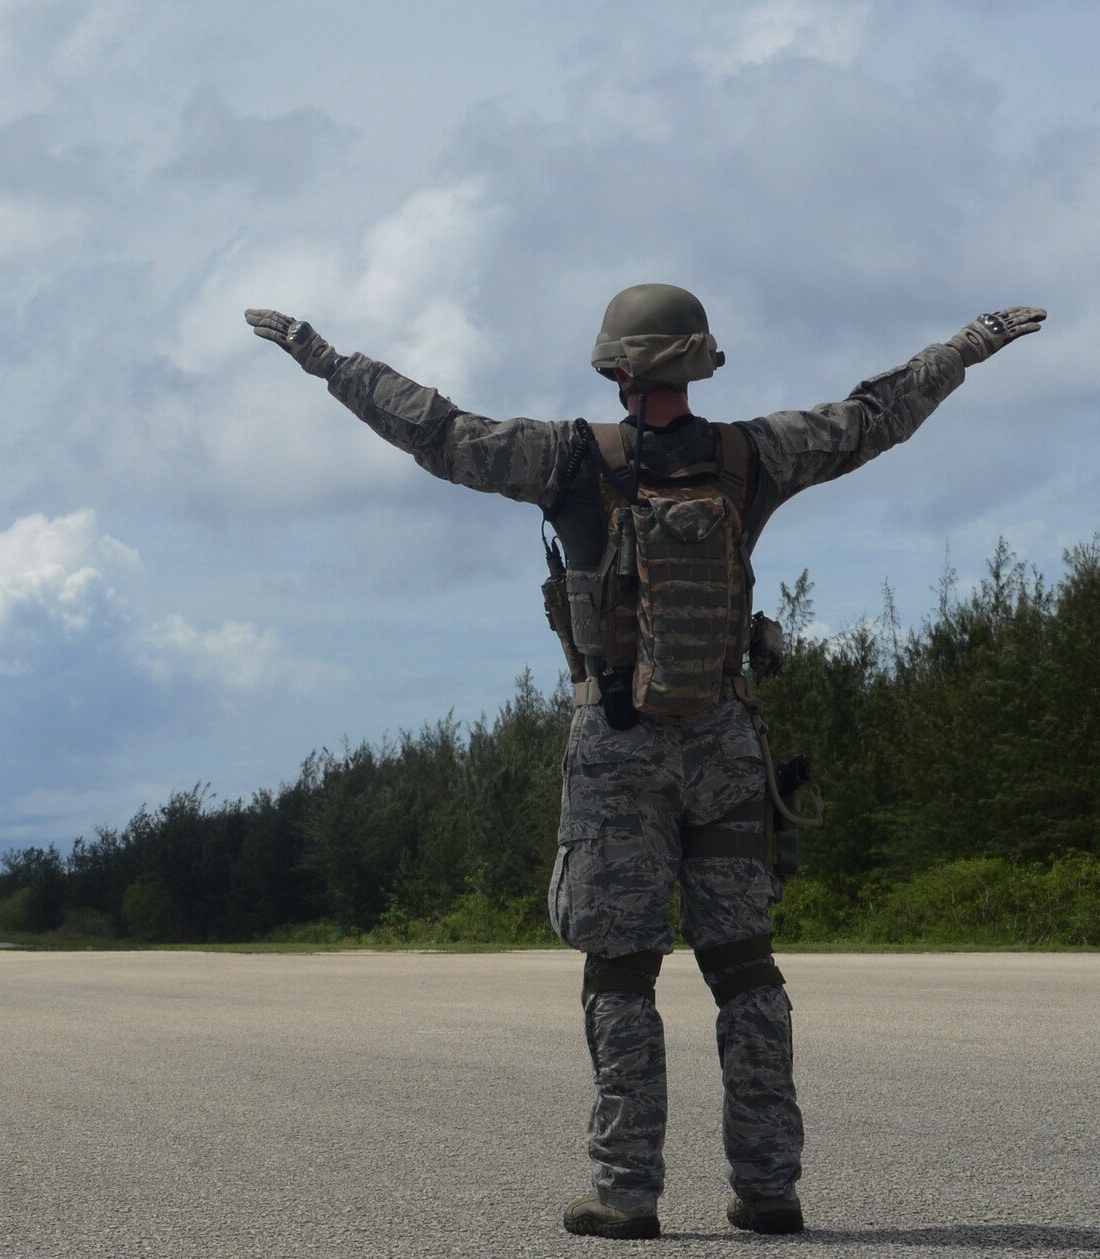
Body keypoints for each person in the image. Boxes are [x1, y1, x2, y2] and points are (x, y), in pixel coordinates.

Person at [245, 288, 1045, 1239]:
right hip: (727, 737)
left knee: (621, 973)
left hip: (616, 747)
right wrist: (969, 345)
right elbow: (874, 416)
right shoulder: (757, 455)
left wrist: (322, 356)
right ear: (700, 364)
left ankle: (626, 1191)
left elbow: (437, 429)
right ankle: (769, 1186)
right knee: (746, 966)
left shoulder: (569, 458)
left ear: (617, 369)